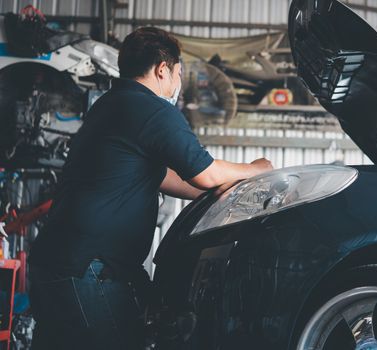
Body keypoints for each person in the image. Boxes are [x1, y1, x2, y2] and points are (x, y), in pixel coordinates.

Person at [28, 27, 273, 350]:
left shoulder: (111, 106)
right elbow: (205, 173)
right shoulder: (153, 110)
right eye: (178, 73)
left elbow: (173, 180)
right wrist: (258, 170)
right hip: (87, 269)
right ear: (162, 70)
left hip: (55, 263)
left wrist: (225, 187)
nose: (178, 82)